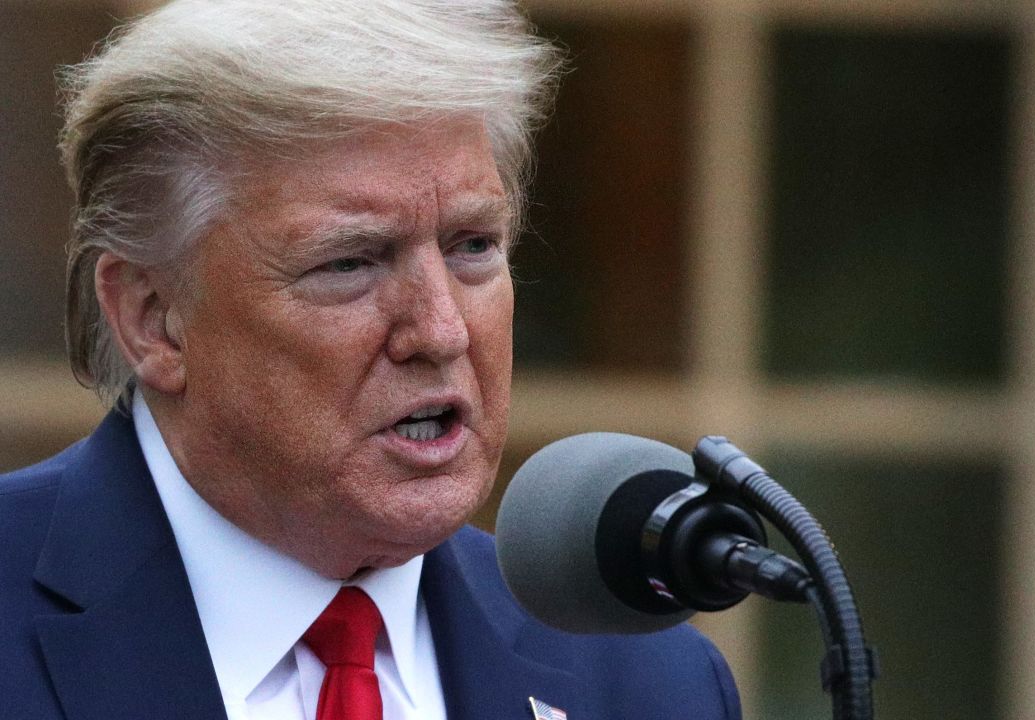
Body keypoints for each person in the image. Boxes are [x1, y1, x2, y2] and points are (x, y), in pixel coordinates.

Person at [0, 2, 742, 719]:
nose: (442, 330)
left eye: (473, 246)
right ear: (153, 318)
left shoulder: (649, 682)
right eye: (350, 262)